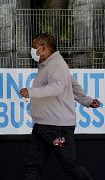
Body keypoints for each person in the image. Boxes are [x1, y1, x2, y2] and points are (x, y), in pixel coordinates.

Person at [20, 33, 101, 180]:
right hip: (42, 126)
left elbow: (57, 88)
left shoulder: (57, 65)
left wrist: (31, 92)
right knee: (33, 165)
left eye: (34, 47)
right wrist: (86, 100)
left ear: (43, 48)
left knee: (70, 165)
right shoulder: (48, 64)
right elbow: (71, 84)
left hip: (57, 128)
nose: (32, 50)